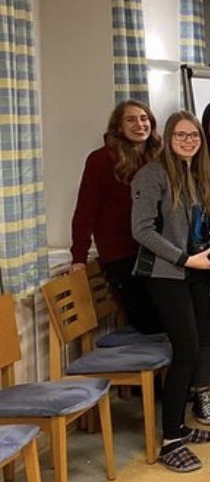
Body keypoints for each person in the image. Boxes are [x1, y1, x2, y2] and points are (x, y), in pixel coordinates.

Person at [131, 111, 210, 472]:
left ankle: (180, 426)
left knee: (195, 346)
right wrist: (185, 259)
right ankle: (170, 441)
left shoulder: (195, 174)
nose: (188, 141)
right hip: (166, 274)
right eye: (181, 135)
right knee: (184, 350)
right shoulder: (152, 174)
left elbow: (196, 225)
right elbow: (142, 230)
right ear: (168, 138)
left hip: (194, 272)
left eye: (194, 135)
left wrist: (206, 251)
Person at [71, 99, 162, 332]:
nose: (139, 125)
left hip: (155, 251)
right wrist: (79, 257)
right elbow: (85, 211)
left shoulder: (158, 157)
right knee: (151, 324)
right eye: (131, 120)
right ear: (119, 127)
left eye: (144, 119)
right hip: (122, 256)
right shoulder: (101, 159)